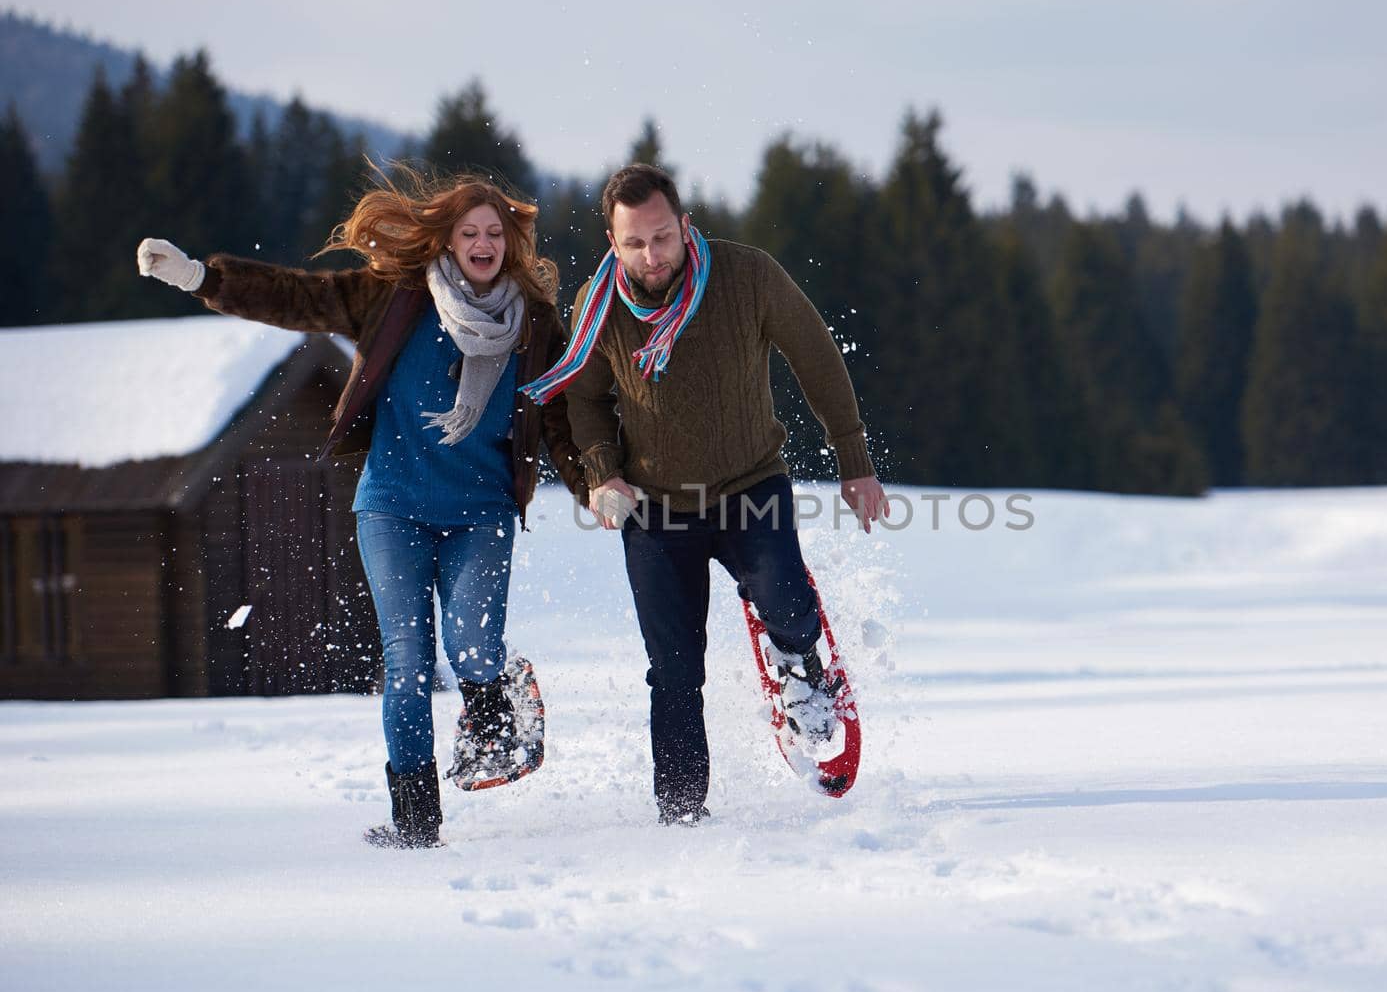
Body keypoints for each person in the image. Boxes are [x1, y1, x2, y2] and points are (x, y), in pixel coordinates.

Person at [136, 165, 586, 849]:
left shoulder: (535, 323)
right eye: (470, 231)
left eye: (495, 232)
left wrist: (596, 486)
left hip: (481, 511)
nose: (484, 242)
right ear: (447, 238)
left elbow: (559, 418)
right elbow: (299, 297)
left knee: (470, 645)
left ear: (511, 244)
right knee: (407, 662)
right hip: (392, 507)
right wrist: (203, 278)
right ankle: (415, 821)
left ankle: (495, 695)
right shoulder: (395, 296)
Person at [521, 163, 889, 826]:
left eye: (662, 237)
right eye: (634, 243)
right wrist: (602, 471)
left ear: (685, 226)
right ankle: (682, 815)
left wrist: (854, 460)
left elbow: (816, 355)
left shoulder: (747, 276)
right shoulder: (598, 306)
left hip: (750, 485)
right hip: (656, 510)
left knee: (786, 600)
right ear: (613, 242)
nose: (651, 256)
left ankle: (801, 666)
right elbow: (583, 400)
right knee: (674, 673)